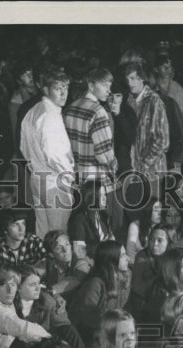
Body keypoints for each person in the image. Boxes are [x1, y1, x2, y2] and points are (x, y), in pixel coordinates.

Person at [63, 67, 120, 234]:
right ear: (91, 84)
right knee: (103, 226)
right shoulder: (98, 111)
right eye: (104, 86)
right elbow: (104, 154)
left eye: (110, 86)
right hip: (97, 180)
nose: (109, 91)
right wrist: (114, 165)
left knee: (82, 225)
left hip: (77, 177)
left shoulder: (71, 107)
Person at [20, 65, 75, 237]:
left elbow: (23, 147)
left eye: (65, 88)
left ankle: (43, 263)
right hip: (55, 182)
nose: (63, 93)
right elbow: (55, 154)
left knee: (44, 234)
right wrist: (70, 177)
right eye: (57, 89)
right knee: (58, 237)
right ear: (45, 89)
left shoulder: (33, 110)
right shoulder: (50, 116)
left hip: (38, 179)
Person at [0, 262, 52, 348]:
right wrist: (50, 339)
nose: (10, 290)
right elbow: (20, 327)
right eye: (3, 285)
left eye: (13, 285)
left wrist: (56, 295)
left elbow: (37, 288)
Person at [69, 241, 132, 345]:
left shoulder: (124, 277)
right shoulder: (95, 283)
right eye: (123, 255)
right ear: (110, 260)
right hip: (92, 335)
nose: (128, 258)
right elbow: (87, 317)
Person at [124, 61, 169, 196]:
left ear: (142, 78)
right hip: (134, 172)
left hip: (153, 173)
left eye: (133, 78)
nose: (129, 83)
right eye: (127, 79)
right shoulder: (129, 100)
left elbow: (162, 141)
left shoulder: (154, 102)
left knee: (152, 213)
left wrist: (143, 166)